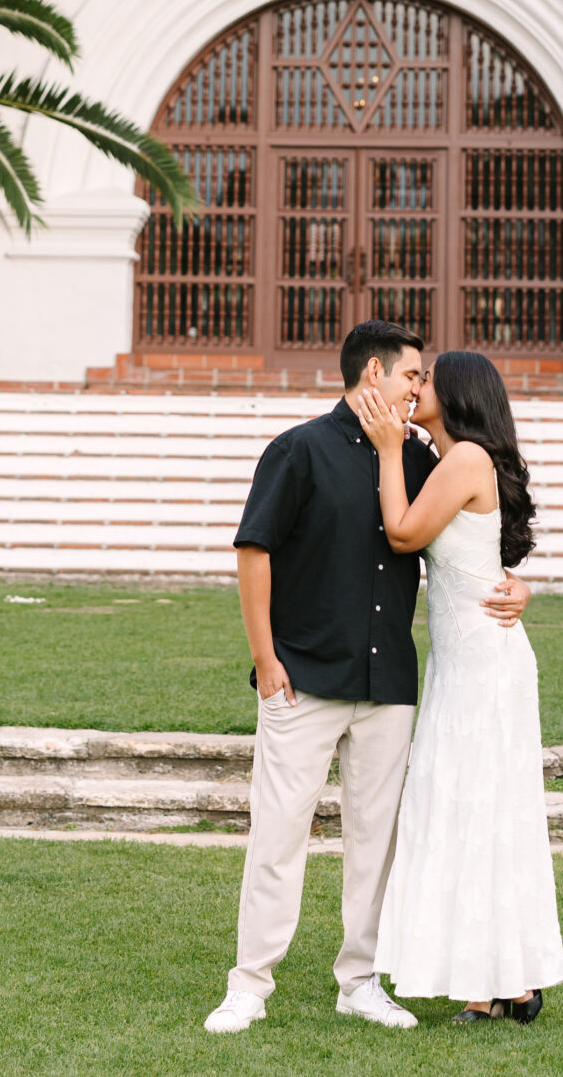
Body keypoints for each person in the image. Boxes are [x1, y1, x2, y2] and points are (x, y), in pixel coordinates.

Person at [204, 321, 530, 1035]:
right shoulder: (297, 450)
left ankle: (359, 981)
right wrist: (264, 661)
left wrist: (514, 585)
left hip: (389, 684)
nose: (418, 388)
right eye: (412, 376)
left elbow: (461, 536)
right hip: (303, 676)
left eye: (424, 381)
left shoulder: (417, 458)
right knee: (278, 836)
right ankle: (249, 985)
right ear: (374, 373)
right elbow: (253, 551)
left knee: (377, 843)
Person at [360, 348, 563, 1024]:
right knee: (470, 810)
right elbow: (483, 558)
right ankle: (500, 980)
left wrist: (390, 449)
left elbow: (401, 534)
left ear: (455, 394)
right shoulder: (455, 459)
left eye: (426, 380)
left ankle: (499, 982)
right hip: (465, 657)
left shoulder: (466, 459)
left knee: (478, 809)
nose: (415, 386)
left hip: (482, 662)